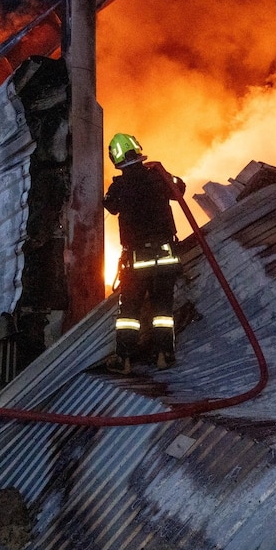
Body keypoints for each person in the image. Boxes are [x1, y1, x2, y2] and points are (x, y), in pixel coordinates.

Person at [103, 133, 186, 373]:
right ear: (138, 150)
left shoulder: (118, 187)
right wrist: (164, 173)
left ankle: (124, 360)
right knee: (163, 310)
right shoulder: (158, 178)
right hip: (165, 257)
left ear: (115, 158)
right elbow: (179, 187)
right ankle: (164, 355)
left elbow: (109, 205)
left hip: (136, 262)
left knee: (129, 312)